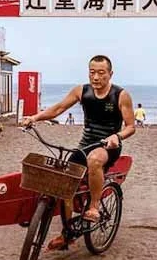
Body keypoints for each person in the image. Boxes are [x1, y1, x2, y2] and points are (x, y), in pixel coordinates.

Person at [22, 54, 135, 238]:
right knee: (66, 182)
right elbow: (58, 109)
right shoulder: (81, 91)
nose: (96, 77)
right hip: (86, 144)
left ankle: (94, 207)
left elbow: (131, 127)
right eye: (92, 72)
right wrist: (34, 118)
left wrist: (117, 136)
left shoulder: (121, 95)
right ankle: (68, 232)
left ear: (110, 74)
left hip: (109, 146)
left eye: (101, 73)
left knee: (94, 159)